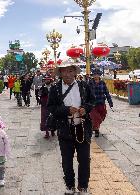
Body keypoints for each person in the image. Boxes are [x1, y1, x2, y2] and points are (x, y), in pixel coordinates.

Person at [47, 60, 95, 194]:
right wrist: (67, 110)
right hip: (64, 129)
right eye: (64, 71)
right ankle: (69, 186)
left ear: (74, 72)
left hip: (82, 127)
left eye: (70, 71)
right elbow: (51, 107)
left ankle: (83, 186)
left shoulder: (84, 86)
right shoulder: (55, 88)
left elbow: (92, 101)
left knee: (84, 159)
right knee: (67, 160)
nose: (67, 74)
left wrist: (85, 108)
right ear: (60, 73)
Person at [89, 69, 113, 137]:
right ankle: (96, 129)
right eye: (94, 74)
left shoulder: (102, 82)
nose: (95, 76)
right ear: (93, 75)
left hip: (101, 102)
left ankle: (95, 126)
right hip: (93, 104)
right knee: (95, 117)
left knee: (103, 115)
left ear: (99, 75)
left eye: (97, 74)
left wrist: (110, 102)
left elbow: (107, 93)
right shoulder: (90, 83)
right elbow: (87, 93)